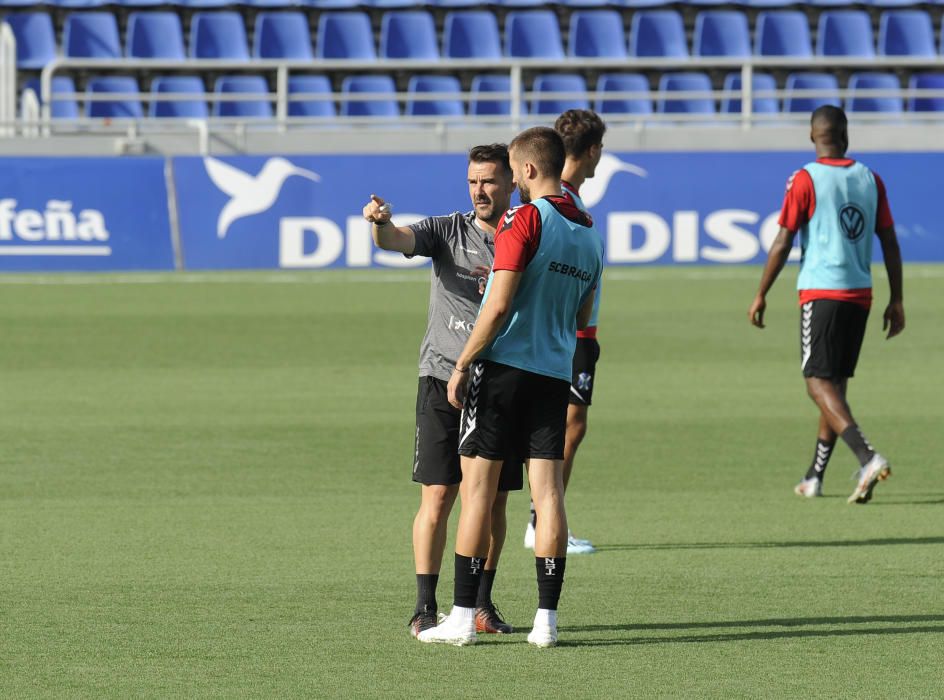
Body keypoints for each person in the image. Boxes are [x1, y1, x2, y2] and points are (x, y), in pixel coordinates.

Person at [417, 127, 604, 648]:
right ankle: (546, 621)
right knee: (549, 493)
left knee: (477, 491)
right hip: (554, 371)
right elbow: (585, 312)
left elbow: (496, 305)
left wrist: (464, 363)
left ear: (524, 170)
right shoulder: (589, 230)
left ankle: (460, 616)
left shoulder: (524, 219)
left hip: (501, 371)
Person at [362, 144, 519, 639]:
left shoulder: (525, 234)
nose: (479, 191)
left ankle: (481, 605)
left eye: (489, 181)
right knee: (438, 495)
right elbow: (395, 240)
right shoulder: (449, 230)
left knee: (494, 502)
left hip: (499, 380)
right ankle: (425, 607)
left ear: (512, 182)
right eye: (473, 181)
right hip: (441, 377)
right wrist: (379, 223)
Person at [749, 105, 905, 504]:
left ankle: (867, 456)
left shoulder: (805, 179)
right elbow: (888, 239)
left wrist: (761, 291)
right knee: (834, 386)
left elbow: (783, 240)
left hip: (822, 292)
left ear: (812, 136)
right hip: (861, 293)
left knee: (816, 383)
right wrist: (897, 298)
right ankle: (815, 476)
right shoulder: (871, 179)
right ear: (845, 134)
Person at [524, 109, 606, 556]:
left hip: (578, 334)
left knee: (572, 426)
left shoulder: (571, 202)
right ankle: (541, 521)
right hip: (568, 334)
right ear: (592, 150)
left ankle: (540, 518)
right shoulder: (559, 203)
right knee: (566, 427)